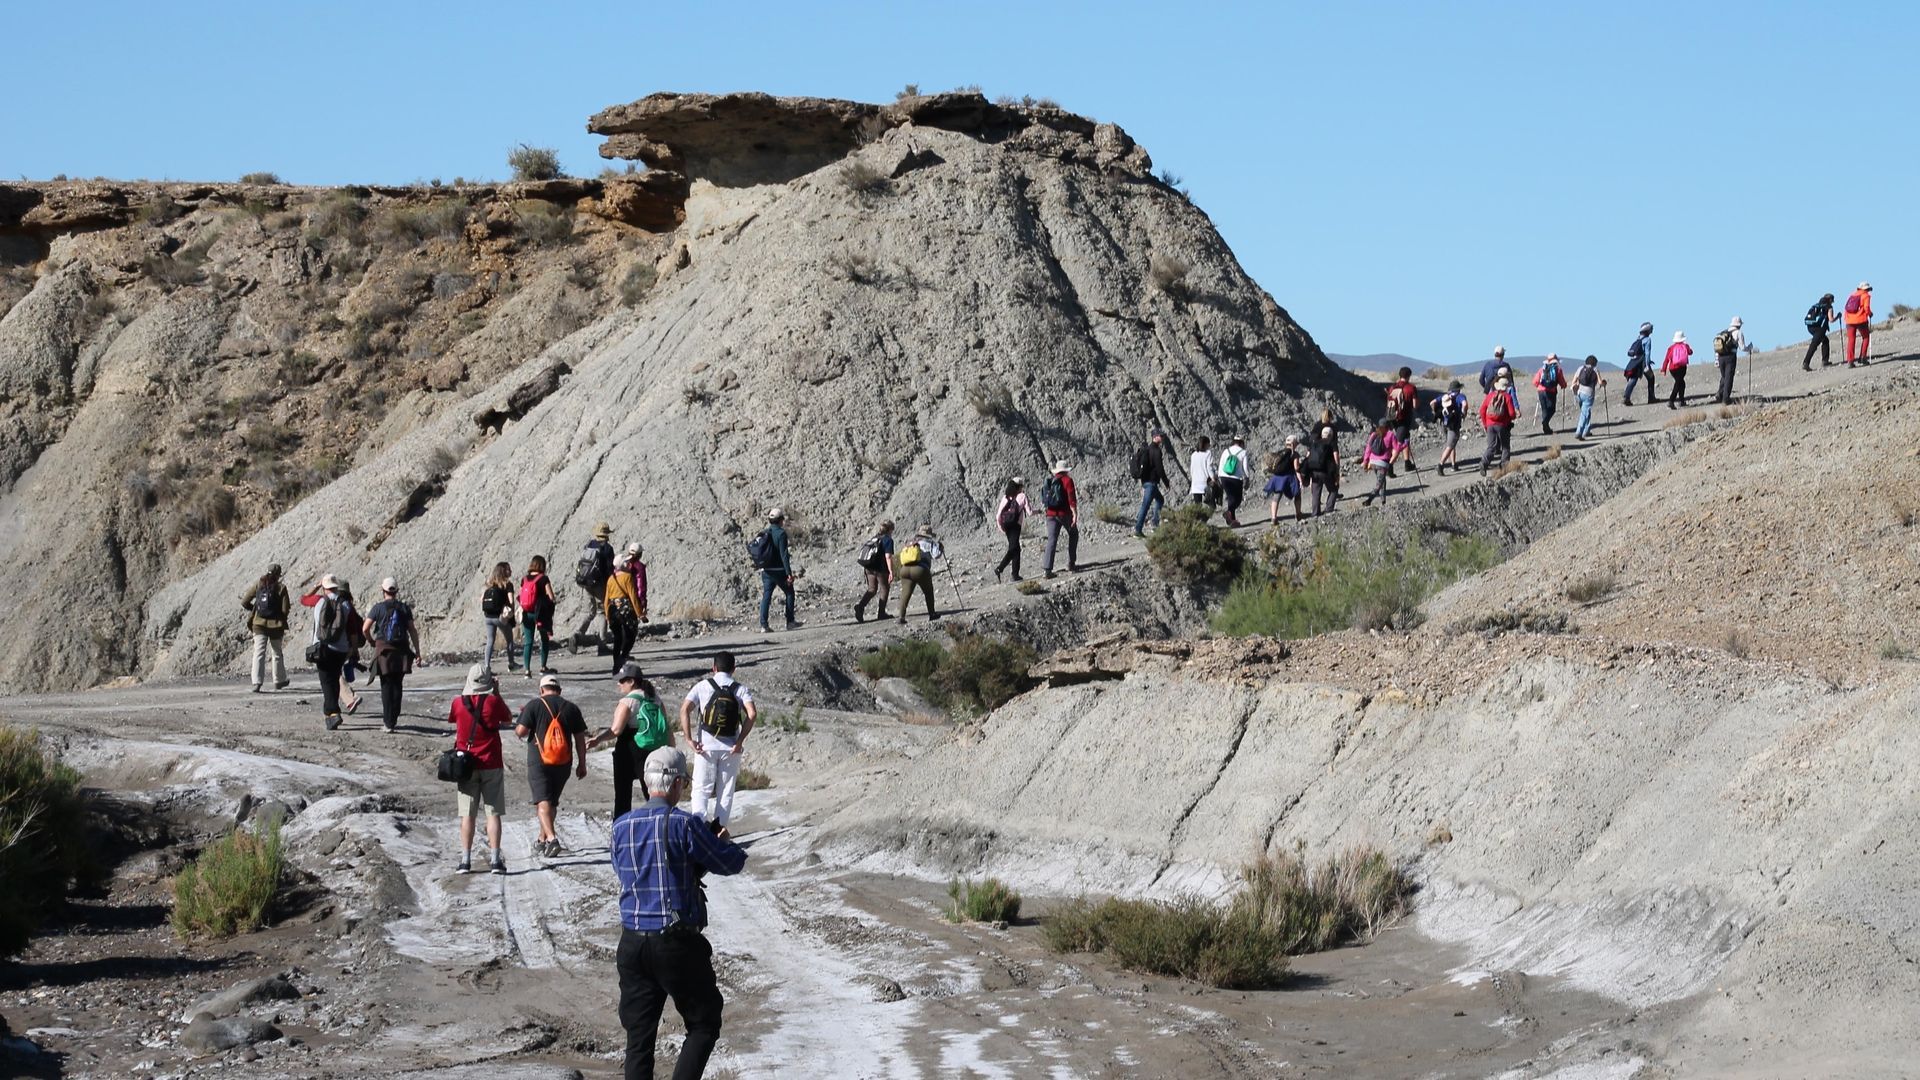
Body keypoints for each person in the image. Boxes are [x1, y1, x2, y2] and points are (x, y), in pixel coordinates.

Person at [611, 746, 748, 1080]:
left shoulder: (620, 827)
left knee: (639, 1038)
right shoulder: (684, 824)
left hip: (632, 943)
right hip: (675, 943)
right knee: (704, 1023)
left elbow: (630, 873)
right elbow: (730, 863)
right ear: (675, 784)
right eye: (684, 783)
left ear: (647, 784)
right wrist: (724, 843)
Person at [679, 652, 756, 838]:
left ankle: (699, 826)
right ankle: (719, 828)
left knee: (701, 788)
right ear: (733, 669)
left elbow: (684, 710)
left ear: (714, 668)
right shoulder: (740, 689)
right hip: (731, 748)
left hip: (705, 746)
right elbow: (752, 714)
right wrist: (739, 742)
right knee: (726, 790)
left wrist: (689, 739)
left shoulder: (702, 686)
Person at [448, 664, 513, 875]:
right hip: (491, 762)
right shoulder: (494, 702)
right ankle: (495, 860)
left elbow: (453, 719)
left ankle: (465, 861)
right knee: (493, 813)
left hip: (466, 764)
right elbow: (508, 718)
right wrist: (497, 693)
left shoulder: (458, 703)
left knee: (467, 815)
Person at [516, 673, 588, 859]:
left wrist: (523, 718)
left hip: (539, 760)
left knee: (542, 801)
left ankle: (552, 838)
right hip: (563, 762)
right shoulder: (571, 708)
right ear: (560, 690)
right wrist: (582, 763)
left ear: (541, 690)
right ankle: (542, 840)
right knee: (550, 801)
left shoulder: (534, 705)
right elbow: (580, 739)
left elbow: (520, 732)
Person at [610, 661, 672, 819]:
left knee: (623, 795)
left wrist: (597, 740)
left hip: (629, 751)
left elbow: (616, 730)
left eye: (622, 680)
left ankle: (621, 831)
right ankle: (660, 824)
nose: (619, 684)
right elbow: (666, 726)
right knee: (653, 793)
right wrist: (671, 750)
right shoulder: (656, 699)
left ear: (631, 681)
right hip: (654, 750)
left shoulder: (628, 701)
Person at [362, 577, 422, 733]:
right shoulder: (404, 608)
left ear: (383, 591)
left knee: (386, 686)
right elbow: (412, 630)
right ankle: (393, 718)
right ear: (396, 591)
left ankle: (388, 722)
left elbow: (365, 628)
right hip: (402, 651)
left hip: (384, 651)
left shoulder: (378, 608)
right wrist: (417, 652)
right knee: (397, 685)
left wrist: (371, 641)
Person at [309, 574, 357, 731]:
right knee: (334, 679)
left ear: (324, 587)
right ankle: (331, 714)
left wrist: (315, 588)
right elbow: (352, 630)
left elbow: (303, 599)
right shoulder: (346, 604)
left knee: (326, 682)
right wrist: (353, 649)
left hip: (321, 648)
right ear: (337, 587)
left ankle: (333, 713)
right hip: (340, 649)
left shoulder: (318, 601)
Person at [241, 563, 292, 692]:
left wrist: (255, 609)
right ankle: (278, 681)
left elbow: (244, 601)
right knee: (277, 653)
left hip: (259, 624)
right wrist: (280, 617)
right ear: (278, 575)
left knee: (258, 652)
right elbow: (285, 609)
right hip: (276, 625)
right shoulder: (281, 588)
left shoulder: (259, 584)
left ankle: (256, 683)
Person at [571, 522, 616, 653]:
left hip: (586, 582)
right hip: (599, 584)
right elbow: (609, 569)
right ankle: (602, 644)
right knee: (602, 611)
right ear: (607, 534)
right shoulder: (608, 548)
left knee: (590, 612)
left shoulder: (590, 545)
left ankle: (577, 634)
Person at [753, 509, 799, 633]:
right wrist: (788, 573)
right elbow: (784, 555)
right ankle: (790, 622)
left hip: (766, 570)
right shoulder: (781, 534)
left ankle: (764, 625)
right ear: (780, 520)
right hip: (779, 570)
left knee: (766, 596)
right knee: (789, 593)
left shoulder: (765, 532)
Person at [604, 552, 644, 677]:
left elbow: (606, 599)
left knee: (617, 639)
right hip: (626, 610)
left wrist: (607, 615)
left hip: (613, 610)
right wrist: (640, 613)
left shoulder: (610, 579)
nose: (628, 563)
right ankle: (623, 656)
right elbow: (633, 595)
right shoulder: (627, 577)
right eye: (626, 562)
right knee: (631, 634)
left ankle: (616, 666)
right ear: (623, 564)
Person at [895, 525, 944, 622]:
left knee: (905, 593)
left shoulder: (910, 542)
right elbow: (936, 555)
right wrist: (941, 548)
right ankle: (932, 614)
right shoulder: (929, 542)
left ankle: (901, 617)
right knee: (928, 591)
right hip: (920, 569)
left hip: (905, 569)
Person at [520, 555, 559, 676]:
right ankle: (543, 667)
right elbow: (551, 596)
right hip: (541, 613)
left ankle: (527, 670)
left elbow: (521, 595)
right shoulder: (543, 579)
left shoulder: (525, 579)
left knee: (528, 641)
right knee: (544, 639)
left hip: (526, 612)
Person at [1040, 461, 1080, 577]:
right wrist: (1075, 514)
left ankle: (1047, 570)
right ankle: (1071, 563)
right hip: (1064, 514)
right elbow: (1071, 498)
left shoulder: (1050, 481)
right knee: (1073, 534)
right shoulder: (1067, 480)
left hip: (1050, 514)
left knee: (1052, 540)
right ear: (1066, 470)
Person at [1129, 429, 1171, 537]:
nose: (1162, 438)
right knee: (1145, 505)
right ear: (1155, 437)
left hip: (1147, 483)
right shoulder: (1156, 451)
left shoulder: (1148, 450)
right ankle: (1138, 530)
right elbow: (1160, 469)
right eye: (1160, 436)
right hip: (1151, 483)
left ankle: (1154, 523)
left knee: (1160, 500)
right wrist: (1166, 482)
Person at [480, 562, 519, 674]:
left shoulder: (489, 585)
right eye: (508, 569)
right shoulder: (508, 585)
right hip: (500, 617)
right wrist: (510, 613)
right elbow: (511, 601)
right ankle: (511, 664)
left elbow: (481, 599)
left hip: (488, 617)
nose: (510, 571)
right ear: (503, 572)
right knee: (509, 640)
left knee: (490, 641)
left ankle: (487, 666)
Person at [853, 520, 895, 622]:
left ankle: (860, 606)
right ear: (890, 529)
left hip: (869, 567)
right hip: (880, 569)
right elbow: (888, 557)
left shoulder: (874, 538)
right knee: (884, 588)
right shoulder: (888, 540)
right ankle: (881, 613)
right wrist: (891, 571)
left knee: (872, 589)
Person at [992, 479, 1032, 583]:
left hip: (1006, 526)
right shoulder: (1022, 496)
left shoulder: (1005, 497)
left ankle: (1015, 574)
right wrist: (1040, 511)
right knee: (1013, 548)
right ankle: (1000, 569)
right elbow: (1030, 512)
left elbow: (998, 515)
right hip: (1015, 526)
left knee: (1016, 549)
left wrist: (1001, 528)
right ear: (1019, 487)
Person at [1384, 367, 1421, 473]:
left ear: (1399, 375)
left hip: (1392, 417)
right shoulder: (1411, 388)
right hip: (1404, 418)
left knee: (1406, 438)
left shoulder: (1392, 387)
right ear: (1409, 376)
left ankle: (1407, 463)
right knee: (1399, 443)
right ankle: (1389, 466)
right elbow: (1415, 405)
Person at [1479, 376, 1518, 473]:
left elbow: (1482, 410)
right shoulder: (1507, 397)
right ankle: (1504, 466)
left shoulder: (1490, 396)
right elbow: (1512, 414)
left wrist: (1485, 424)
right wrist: (1510, 418)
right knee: (1505, 446)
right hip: (1502, 425)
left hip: (1490, 425)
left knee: (1492, 446)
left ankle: (1484, 463)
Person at [1359, 422, 1403, 506]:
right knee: (1379, 483)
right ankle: (1369, 500)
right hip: (1383, 464)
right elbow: (1397, 448)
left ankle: (1383, 501)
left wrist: (1365, 461)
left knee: (1382, 481)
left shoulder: (1374, 434)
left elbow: (1368, 448)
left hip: (1373, 463)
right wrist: (1404, 444)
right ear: (1388, 426)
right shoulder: (1390, 434)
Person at [1431, 380, 1469, 474]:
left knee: (1451, 444)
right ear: (1459, 388)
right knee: (1450, 445)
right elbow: (1465, 404)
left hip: (1444, 423)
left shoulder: (1445, 396)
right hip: (1454, 425)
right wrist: (1464, 414)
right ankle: (1440, 465)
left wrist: (1435, 411)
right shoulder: (1460, 396)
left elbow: (1432, 402)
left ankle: (1453, 464)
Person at [1264, 436, 1304, 522]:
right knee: (1297, 494)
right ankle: (1298, 514)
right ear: (1294, 444)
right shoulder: (1295, 454)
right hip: (1289, 477)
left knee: (1276, 497)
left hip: (1277, 478)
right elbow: (1296, 468)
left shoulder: (1280, 453)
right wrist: (1300, 480)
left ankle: (1273, 517)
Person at [1303, 426, 1340, 516]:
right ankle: (1329, 509)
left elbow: (1307, 456)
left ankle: (1315, 513)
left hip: (1314, 471)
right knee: (1333, 489)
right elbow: (1336, 458)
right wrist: (1337, 472)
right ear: (1331, 435)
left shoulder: (1314, 442)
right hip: (1326, 471)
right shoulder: (1332, 443)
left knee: (1316, 492)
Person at [1712, 317, 1746, 405]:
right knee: (1729, 378)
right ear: (1739, 325)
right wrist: (1750, 348)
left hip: (1720, 357)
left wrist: (1716, 361)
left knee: (1724, 376)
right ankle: (1726, 399)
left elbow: (1717, 348)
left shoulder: (1724, 332)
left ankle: (1719, 394)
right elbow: (1743, 347)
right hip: (1730, 357)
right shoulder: (1738, 333)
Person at [1533, 354, 1568, 435]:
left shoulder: (1542, 369)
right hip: (1551, 391)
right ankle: (1545, 423)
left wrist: (1540, 386)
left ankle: (1546, 427)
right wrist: (1564, 386)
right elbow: (1562, 382)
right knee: (1551, 409)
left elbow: (1535, 382)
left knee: (1544, 409)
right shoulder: (1558, 369)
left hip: (1541, 391)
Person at [1572, 356, 1606, 440]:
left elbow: (1574, 381)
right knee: (1585, 413)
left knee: (1586, 412)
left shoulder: (1580, 368)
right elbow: (1600, 383)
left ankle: (1587, 430)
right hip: (1589, 394)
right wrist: (1604, 383)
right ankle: (1579, 432)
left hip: (1579, 393)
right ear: (1594, 363)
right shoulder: (1595, 370)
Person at [1623, 322, 1656, 405]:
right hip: (1642, 363)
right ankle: (1651, 398)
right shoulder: (1647, 339)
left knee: (1633, 379)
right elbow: (1647, 353)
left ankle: (1626, 397)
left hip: (1634, 362)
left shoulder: (1638, 339)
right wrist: (1648, 364)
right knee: (1651, 378)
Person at [1803, 294, 1837, 370]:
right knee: (1814, 345)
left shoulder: (1816, 305)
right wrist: (1838, 316)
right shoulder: (1829, 307)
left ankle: (1825, 360)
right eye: (1832, 301)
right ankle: (1806, 363)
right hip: (1820, 328)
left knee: (1825, 340)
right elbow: (1831, 319)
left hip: (1810, 327)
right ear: (1830, 300)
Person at [1843, 282, 1873, 366]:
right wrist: (1870, 314)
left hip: (1849, 320)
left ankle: (1850, 361)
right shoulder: (1866, 296)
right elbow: (1866, 308)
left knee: (1851, 340)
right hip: (1861, 320)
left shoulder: (1852, 295)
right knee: (1866, 337)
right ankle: (1863, 357)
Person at [1663, 332, 1693, 408]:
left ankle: (1681, 401)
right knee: (1679, 383)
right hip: (1681, 368)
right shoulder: (1685, 346)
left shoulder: (1671, 348)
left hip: (1672, 369)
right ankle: (1671, 400)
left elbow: (1667, 359)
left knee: (1681, 383)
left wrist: (1664, 369)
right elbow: (1690, 352)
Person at [1187, 436, 1214, 510]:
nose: (1209, 446)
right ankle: (1203, 519)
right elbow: (1209, 467)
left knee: (1198, 507)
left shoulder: (1193, 455)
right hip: (1205, 483)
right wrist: (1213, 478)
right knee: (1212, 506)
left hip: (1195, 483)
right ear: (1205, 444)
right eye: (1208, 444)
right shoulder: (1208, 453)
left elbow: (1192, 469)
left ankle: (1200, 521)